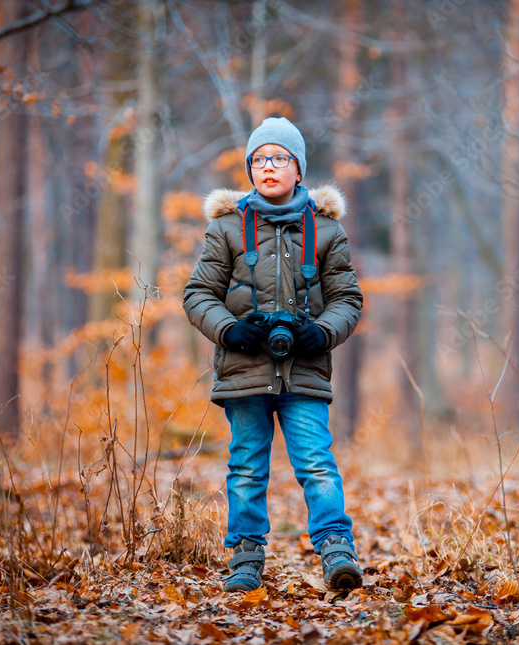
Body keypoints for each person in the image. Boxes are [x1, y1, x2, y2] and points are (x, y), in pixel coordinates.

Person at [183, 116, 364, 592]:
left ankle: (337, 552)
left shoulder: (326, 231)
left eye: (280, 158)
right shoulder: (226, 227)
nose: (269, 167)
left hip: (303, 373)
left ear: (299, 169)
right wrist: (231, 330)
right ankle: (245, 560)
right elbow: (198, 294)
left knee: (317, 463)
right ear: (249, 168)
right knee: (245, 466)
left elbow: (348, 299)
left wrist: (321, 334)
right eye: (259, 159)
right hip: (244, 370)